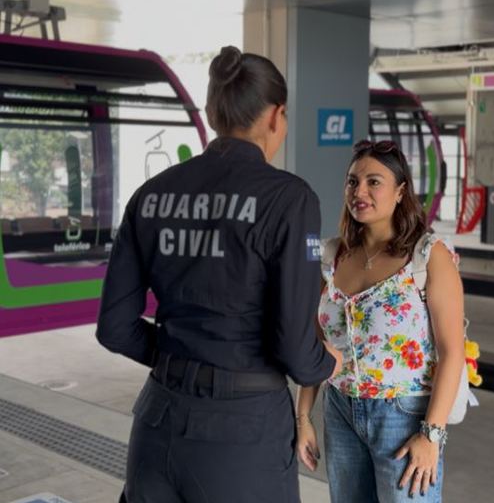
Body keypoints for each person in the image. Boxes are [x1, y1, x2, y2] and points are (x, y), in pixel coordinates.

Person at [96, 45, 343, 503]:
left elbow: (114, 328)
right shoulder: (289, 200)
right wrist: (326, 362)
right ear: (277, 116)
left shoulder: (150, 195)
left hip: (156, 425)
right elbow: (295, 348)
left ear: (211, 112)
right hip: (243, 434)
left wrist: (179, 357)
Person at [295, 140, 464, 503]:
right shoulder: (332, 255)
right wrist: (303, 416)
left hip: (403, 416)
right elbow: (317, 343)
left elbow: (453, 352)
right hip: (339, 410)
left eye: (374, 182)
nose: (360, 192)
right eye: (352, 181)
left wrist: (431, 435)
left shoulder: (428, 255)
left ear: (400, 191)